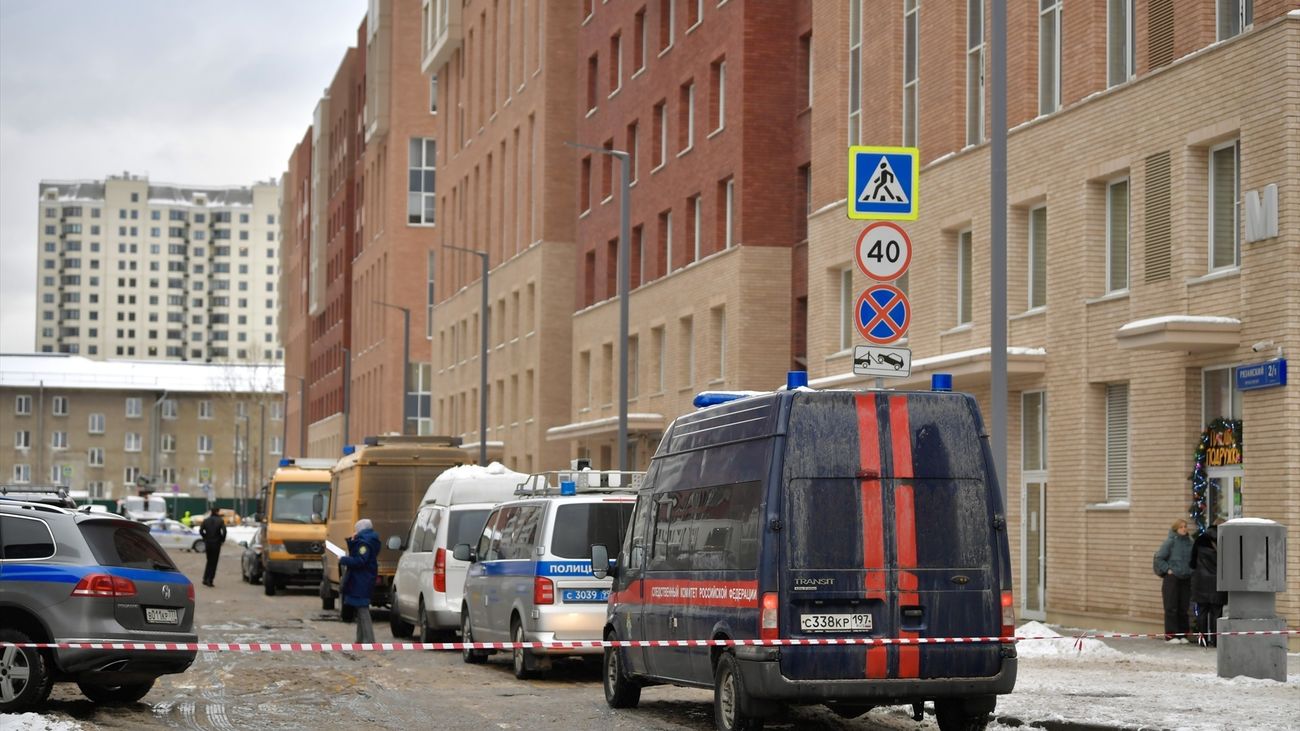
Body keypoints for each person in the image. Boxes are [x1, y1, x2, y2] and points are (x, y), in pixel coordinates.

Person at [340, 518, 381, 644]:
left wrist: (344, 559)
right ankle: (361, 640)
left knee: (363, 611)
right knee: (360, 610)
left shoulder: (364, 543)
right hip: (363, 579)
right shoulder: (368, 540)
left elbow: (360, 561)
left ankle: (369, 640)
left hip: (361, 580)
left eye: (355, 530)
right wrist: (353, 541)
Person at [1153, 517, 1194, 642]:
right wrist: (1168, 570)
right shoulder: (1170, 542)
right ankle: (1171, 635)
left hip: (1186, 578)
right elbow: (1159, 558)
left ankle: (1182, 635)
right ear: (1176, 529)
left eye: (1185, 526)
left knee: (1183, 608)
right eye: (1181, 527)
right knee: (1171, 607)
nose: (1184, 529)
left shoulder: (1190, 542)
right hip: (1173, 579)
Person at [1190, 521, 1226, 647]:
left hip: (1201, 583)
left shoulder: (1200, 540)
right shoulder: (1225, 540)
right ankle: (1216, 642)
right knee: (1217, 613)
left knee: (1202, 613)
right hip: (1218, 583)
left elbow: (1192, 563)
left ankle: (1202, 641)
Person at [199, 507, 227, 587]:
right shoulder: (220, 521)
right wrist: (222, 539)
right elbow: (224, 531)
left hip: (208, 543)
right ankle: (210, 580)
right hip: (216, 544)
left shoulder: (206, 520)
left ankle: (205, 578)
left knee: (209, 561)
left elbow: (201, 531)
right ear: (217, 512)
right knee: (214, 562)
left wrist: (205, 537)